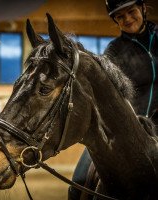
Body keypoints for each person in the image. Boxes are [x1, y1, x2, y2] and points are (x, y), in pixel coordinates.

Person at [68, 0, 158, 199]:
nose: (127, 19)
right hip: (130, 128)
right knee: (80, 182)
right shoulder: (114, 51)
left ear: (143, 8)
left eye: (131, 11)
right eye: (120, 16)